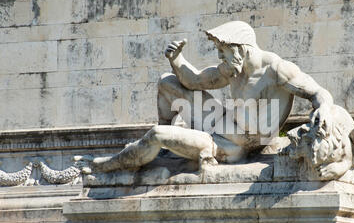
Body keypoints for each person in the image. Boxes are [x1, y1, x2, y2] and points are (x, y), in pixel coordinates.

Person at [91, 21, 334, 172]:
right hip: (219, 123)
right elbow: (194, 81)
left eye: (222, 51)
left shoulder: (278, 70)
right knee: (167, 82)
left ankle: (110, 165)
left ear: (240, 49)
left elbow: (318, 93)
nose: (220, 57)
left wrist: (323, 107)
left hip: (232, 145)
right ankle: (162, 150)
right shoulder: (233, 70)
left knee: (157, 135)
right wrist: (177, 60)